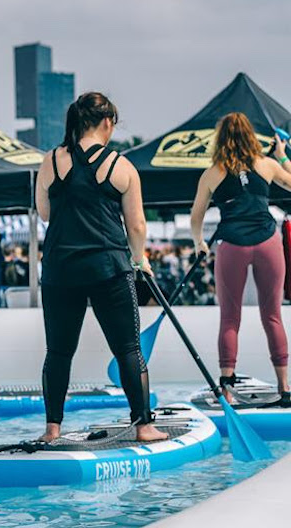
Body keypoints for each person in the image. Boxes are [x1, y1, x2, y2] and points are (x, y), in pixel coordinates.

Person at [35, 92, 165, 443]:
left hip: (60, 269)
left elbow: (45, 213)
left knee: (58, 351)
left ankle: (52, 428)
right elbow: (136, 225)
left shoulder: (51, 160)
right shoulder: (121, 166)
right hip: (109, 267)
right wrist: (140, 260)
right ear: (108, 123)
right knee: (127, 349)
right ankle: (144, 426)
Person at [190, 112, 291, 405]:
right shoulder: (267, 164)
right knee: (272, 316)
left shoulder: (213, 172)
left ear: (220, 139)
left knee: (230, 319)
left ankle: (226, 391)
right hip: (267, 242)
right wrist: (283, 156)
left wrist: (199, 242)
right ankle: (285, 388)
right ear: (251, 136)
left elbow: (196, 215)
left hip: (232, 245)